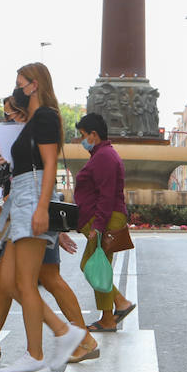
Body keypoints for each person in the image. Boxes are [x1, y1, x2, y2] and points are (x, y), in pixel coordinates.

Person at [0, 98, 99, 365]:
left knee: (40, 279)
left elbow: (34, 180)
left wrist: (4, 208)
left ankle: (78, 339)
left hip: (30, 219)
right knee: (7, 280)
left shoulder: (34, 135)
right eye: (6, 114)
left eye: (12, 113)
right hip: (23, 218)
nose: (8, 118)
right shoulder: (23, 139)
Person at [0, 63, 86, 372]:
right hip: (22, 198)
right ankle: (62, 330)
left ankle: (36, 355)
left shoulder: (45, 116)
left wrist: (43, 208)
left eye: (20, 82)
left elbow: (48, 166)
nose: (16, 88)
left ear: (34, 85)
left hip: (32, 198)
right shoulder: (32, 120)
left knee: (25, 282)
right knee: (8, 282)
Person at [73, 113, 137, 331]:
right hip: (104, 218)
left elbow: (106, 196)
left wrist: (97, 227)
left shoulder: (104, 157)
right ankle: (110, 316)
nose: (81, 140)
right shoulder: (101, 154)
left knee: (90, 266)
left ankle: (119, 304)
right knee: (99, 267)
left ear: (93, 134)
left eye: (82, 135)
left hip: (104, 220)